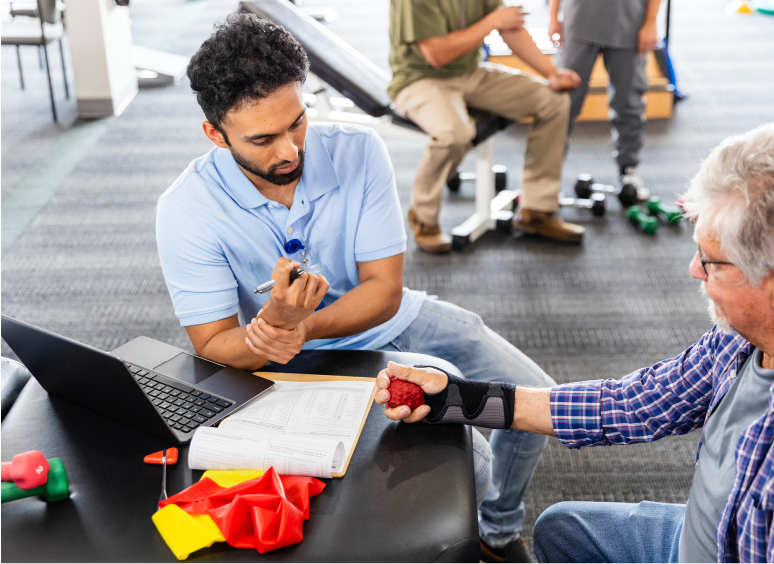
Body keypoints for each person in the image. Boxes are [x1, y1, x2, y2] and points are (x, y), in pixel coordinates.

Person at [156, 14, 555, 564]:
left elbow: (383, 291)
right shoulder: (184, 209)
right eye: (262, 138)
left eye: (296, 123)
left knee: (533, 396)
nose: (289, 151)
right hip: (274, 363)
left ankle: (499, 531)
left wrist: (298, 324)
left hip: (379, 322)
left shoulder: (359, 151)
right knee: (471, 463)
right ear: (214, 133)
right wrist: (274, 335)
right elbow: (213, 343)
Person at [375, 123, 774, 564]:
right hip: (700, 534)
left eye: (712, 262)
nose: (693, 271)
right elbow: (630, 404)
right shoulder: (733, 343)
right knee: (561, 529)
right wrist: (454, 400)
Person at [388, 0, 585, 252]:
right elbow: (438, 55)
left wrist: (551, 73)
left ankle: (537, 211)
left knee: (553, 100)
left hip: (471, 73)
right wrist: (493, 21)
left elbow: (509, 26)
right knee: (454, 133)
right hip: (419, 78)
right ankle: (423, 218)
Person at [548, 0, 662, 202]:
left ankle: (628, 169)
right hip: (579, 21)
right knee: (562, 104)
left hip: (629, 23)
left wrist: (651, 21)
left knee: (629, 103)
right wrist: (553, 16)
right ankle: (547, 177)